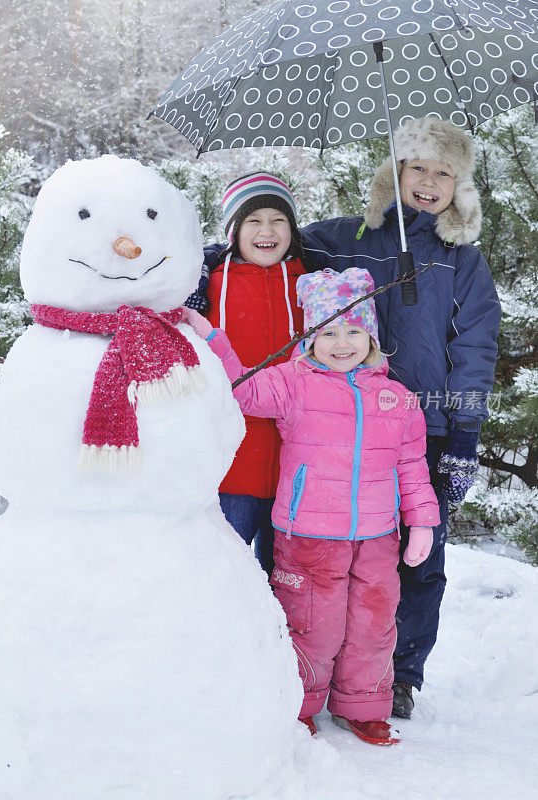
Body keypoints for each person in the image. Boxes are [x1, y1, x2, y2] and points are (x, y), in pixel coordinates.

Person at [202, 118, 501, 720]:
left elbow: (476, 350)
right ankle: (305, 671)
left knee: (416, 562)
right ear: (393, 173)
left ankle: (397, 675)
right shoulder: (342, 238)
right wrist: (215, 256)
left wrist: (464, 436)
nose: (429, 182)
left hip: (425, 430)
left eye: (445, 173)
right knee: (324, 564)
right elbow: (272, 239)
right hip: (333, 429)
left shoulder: (461, 262)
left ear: (458, 189)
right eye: (417, 166)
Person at [184, 267, 440, 745]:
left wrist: (422, 523)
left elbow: (413, 467)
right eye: (328, 333)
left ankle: (362, 706)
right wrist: (214, 338)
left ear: (371, 337)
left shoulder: (397, 398)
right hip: (308, 533)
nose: (342, 343)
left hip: (378, 536)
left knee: (373, 626)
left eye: (353, 331)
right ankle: (298, 704)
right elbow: (242, 391)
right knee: (310, 625)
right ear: (309, 337)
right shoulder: (290, 383)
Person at [204, 172, 306, 574]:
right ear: (234, 232)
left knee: (285, 589)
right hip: (231, 469)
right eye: (253, 220)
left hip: (294, 472)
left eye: (278, 219)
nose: (267, 230)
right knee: (218, 578)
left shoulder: (311, 286)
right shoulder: (210, 284)